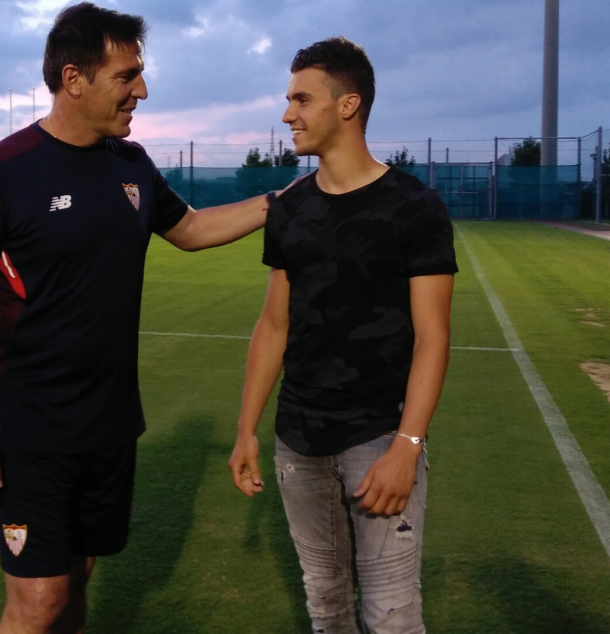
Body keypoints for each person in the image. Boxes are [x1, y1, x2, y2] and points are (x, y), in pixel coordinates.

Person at [0, 4, 271, 633]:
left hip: (110, 423)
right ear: (74, 79)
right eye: (127, 76)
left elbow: (193, 230)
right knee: (36, 602)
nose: (141, 90)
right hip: (27, 424)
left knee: (75, 580)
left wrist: (278, 203)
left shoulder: (132, 165)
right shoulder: (1, 173)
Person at [227, 37, 457, 634]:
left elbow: (433, 338)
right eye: (288, 99)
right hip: (297, 443)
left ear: (348, 105)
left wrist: (406, 446)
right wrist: (246, 430)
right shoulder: (288, 209)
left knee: (393, 615)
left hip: (377, 441)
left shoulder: (415, 207)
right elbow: (274, 324)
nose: (287, 114)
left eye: (302, 99)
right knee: (326, 607)